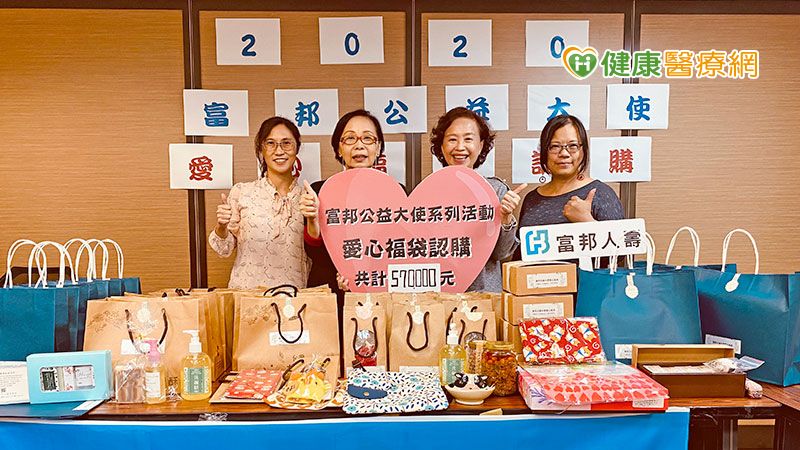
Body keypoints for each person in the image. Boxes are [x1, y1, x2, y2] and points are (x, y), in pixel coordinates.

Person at [429, 107, 524, 292]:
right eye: (452, 139)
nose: (460, 147)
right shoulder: (428, 191)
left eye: (468, 139)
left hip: (486, 296)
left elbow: (502, 253)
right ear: (441, 146)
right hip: (440, 296)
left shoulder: (495, 190)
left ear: (481, 145)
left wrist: (506, 218)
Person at [209, 116, 309, 289]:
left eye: (286, 143)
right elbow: (224, 249)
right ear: (261, 149)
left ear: (297, 148)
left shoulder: (308, 198)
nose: (279, 151)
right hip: (246, 294)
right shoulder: (242, 192)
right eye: (271, 143)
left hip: (293, 296)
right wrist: (221, 227)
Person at [300, 109, 391, 295]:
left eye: (368, 138)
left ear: (378, 147)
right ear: (339, 149)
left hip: (379, 290)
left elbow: (399, 248)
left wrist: (363, 277)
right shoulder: (320, 191)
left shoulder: (395, 191)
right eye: (350, 139)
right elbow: (313, 252)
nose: (359, 146)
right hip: (329, 292)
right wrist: (313, 220)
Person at [515, 114, 624, 259]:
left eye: (573, 146)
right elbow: (520, 254)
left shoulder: (600, 193)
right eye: (555, 146)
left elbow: (621, 253)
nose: (564, 154)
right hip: (535, 274)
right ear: (544, 152)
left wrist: (587, 221)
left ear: (583, 150)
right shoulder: (532, 198)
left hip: (584, 275)